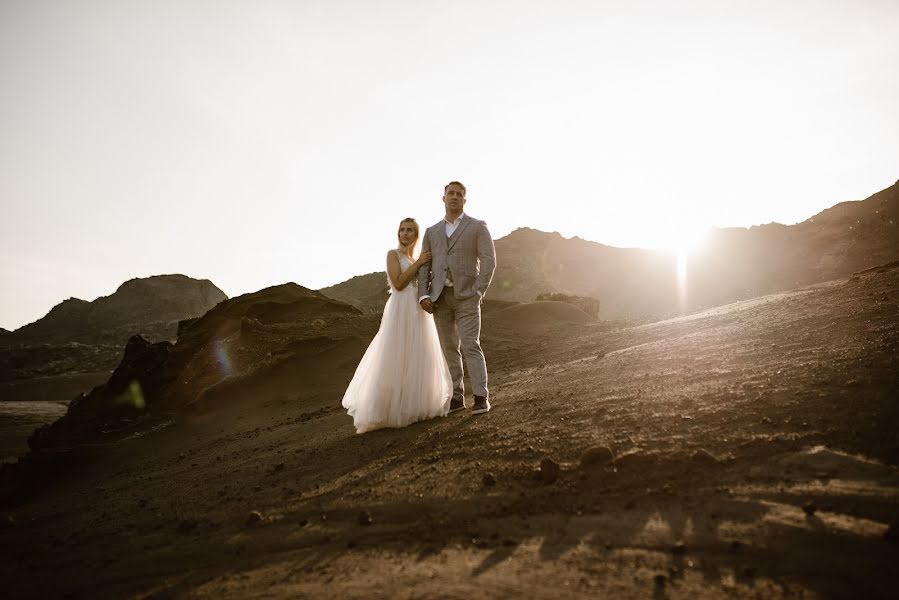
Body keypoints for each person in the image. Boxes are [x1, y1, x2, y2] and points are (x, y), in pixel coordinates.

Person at [341, 218, 453, 434]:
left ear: (416, 234)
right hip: (400, 309)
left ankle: (414, 406)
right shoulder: (393, 255)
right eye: (402, 229)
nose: (405, 233)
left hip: (417, 310)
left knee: (417, 354)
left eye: (410, 230)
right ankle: (388, 409)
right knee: (396, 354)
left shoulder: (414, 258)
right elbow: (398, 283)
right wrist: (419, 263)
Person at [418, 181, 496, 415]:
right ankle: (456, 396)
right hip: (439, 298)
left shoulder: (477, 226)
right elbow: (425, 264)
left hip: (467, 297)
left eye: (459, 194)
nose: (454, 197)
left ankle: (481, 396)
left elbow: (489, 260)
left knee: (471, 344)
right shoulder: (432, 232)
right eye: (450, 193)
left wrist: (479, 291)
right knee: (449, 348)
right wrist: (423, 293)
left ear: (464, 199)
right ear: (443, 198)